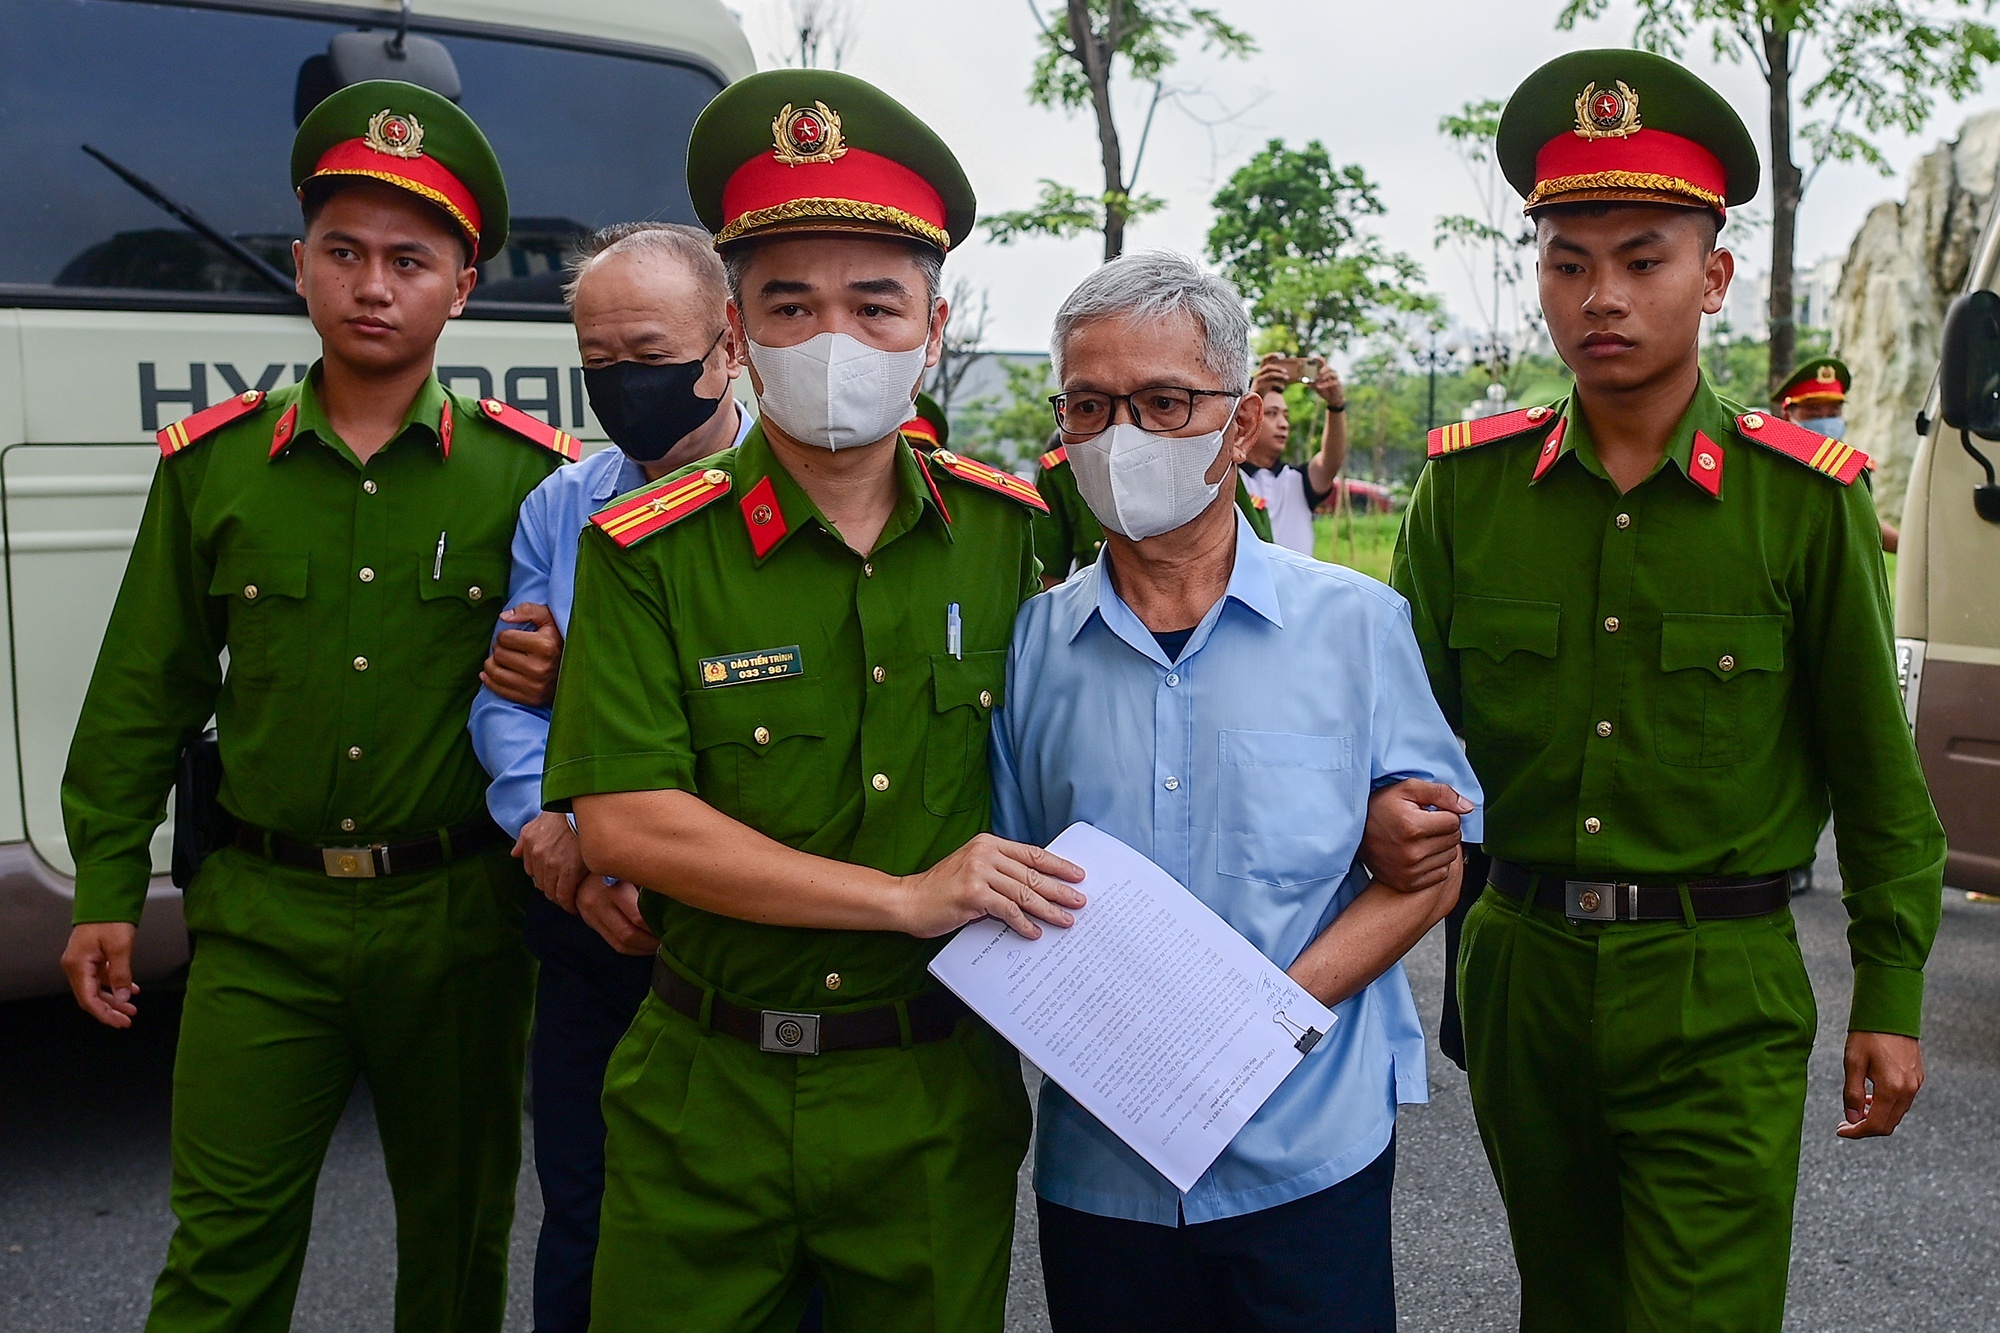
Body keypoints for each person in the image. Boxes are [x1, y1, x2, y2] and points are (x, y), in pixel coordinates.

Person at [1391, 50, 1945, 1330]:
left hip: (1718, 981)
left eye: (1641, 259)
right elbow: (1394, 747)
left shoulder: (1802, 502)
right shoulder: (1464, 496)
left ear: (1712, 275)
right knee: (1563, 1304)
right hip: (1521, 968)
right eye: (1566, 260)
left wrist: (1891, 997)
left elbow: (1875, 776)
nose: (1600, 296)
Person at [539, 70, 1079, 1332]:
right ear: (735, 332)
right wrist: (902, 897)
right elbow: (624, 823)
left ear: (933, 328)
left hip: (931, 1098)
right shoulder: (644, 551)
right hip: (702, 1092)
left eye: (875, 302)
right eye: (790, 302)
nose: (833, 336)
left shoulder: (1009, 539)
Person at [58, 81, 576, 1333]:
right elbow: (145, 684)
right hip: (264, 924)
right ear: (299, 268)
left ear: (463, 285)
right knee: (222, 1245)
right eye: (343, 252)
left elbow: (612, 681)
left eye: (411, 258)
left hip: (456, 921)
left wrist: (563, 675)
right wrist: (106, 891)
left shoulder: (533, 481)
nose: (373, 283)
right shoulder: (217, 468)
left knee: (455, 1246)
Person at [991, 250, 1479, 1332]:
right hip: (1101, 1171)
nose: (1123, 435)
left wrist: (1252, 1034)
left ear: (1239, 411)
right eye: (1089, 405)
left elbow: (1425, 876)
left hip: (1308, 1155)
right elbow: (1005, 882)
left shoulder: (1354, 627)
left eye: (1164, 401)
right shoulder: (1030, 650)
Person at [467, 220, 753, 1333]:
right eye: (597, 365)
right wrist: (544, 824)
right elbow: (510, 694)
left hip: (741, 925)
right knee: (584, 1206)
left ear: (724, 346)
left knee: (742, 1219)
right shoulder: (562, 505)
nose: (623, 385)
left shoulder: (800, 488)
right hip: (590, 919)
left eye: (647, 353)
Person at [1033, 431, 1274, 586]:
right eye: (1089, 406)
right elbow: (1047, 578)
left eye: (1163, 402)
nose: (1122, 424)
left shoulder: (1207, 454)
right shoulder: (1066, 470)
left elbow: (1256, 561)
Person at [1777, 355, 1900, 552]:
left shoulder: (1852, 467)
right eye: (1814, 413)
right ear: (1787, 415)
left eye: (1834, 414)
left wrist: (1911, 547)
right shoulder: (1772, 464)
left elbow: (1864, 522)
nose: (1826, 422)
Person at [1238, 351, 1350, 554]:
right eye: (1271, 414)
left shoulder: (1297, 481)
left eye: (1286, 416)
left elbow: (1331, 459)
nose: (1283, 424)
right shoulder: (1229, 477)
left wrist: (1336, 405)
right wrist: (1255, 394)